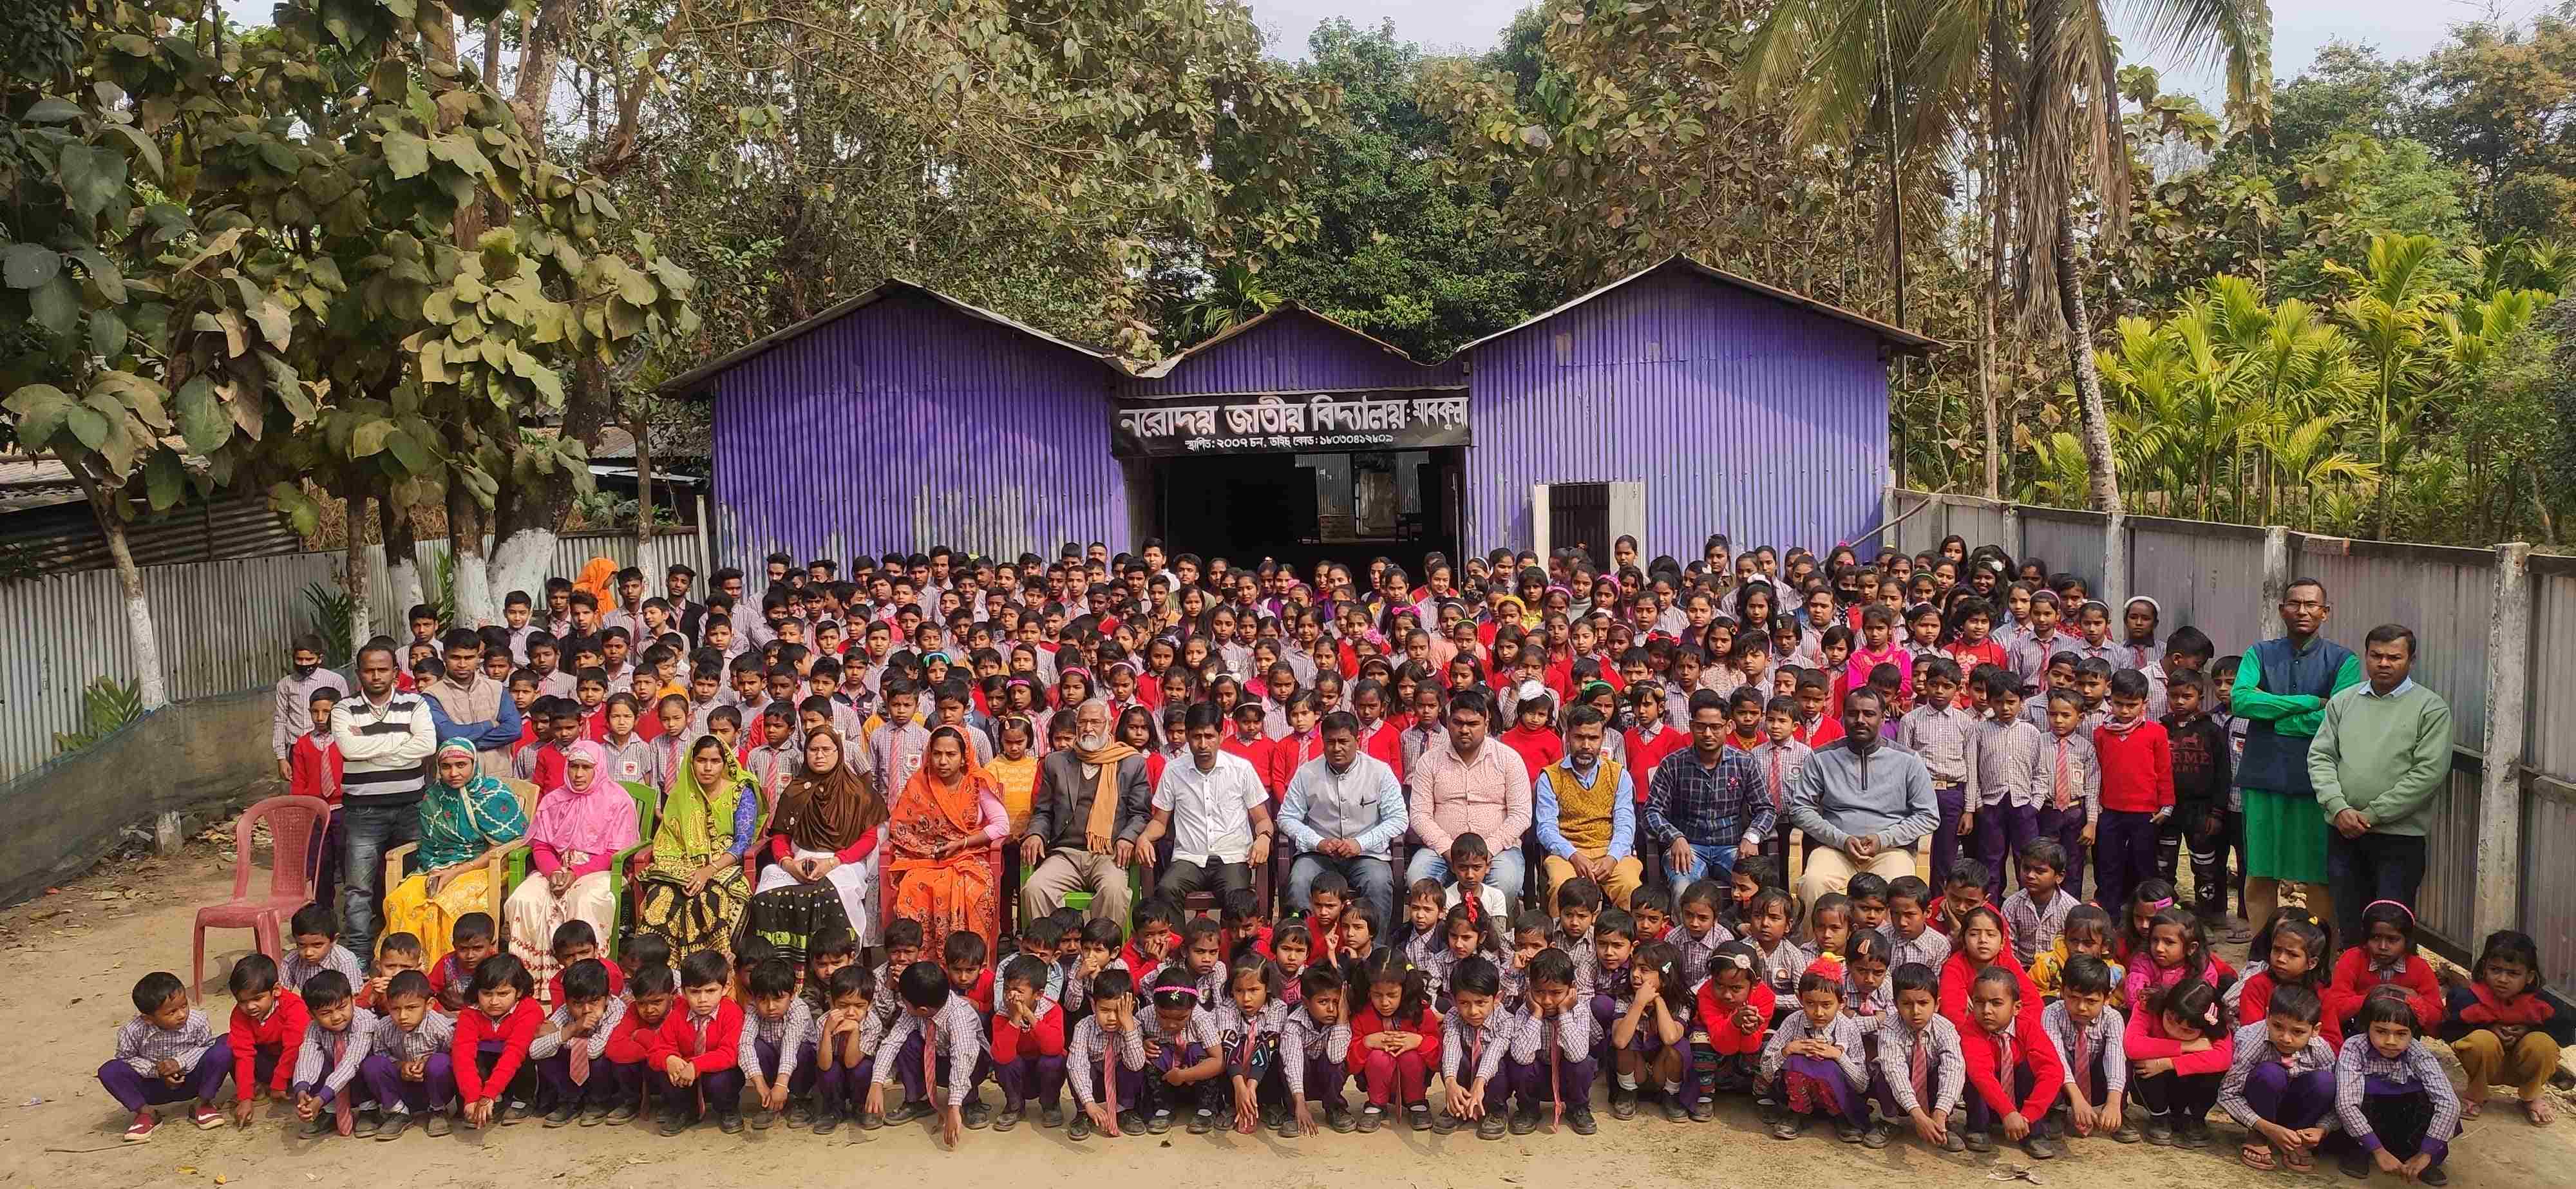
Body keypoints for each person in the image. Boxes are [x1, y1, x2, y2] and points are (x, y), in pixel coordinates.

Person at [2308, 624, 2454, 949]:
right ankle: (2352, 993)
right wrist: (2339, 808)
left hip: (2399, 839)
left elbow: (2427, 774)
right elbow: (2321, 757)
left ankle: (2389, 996)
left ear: (2411, 661)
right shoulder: (2344, 702)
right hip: (2343, 832)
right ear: (2367, 657)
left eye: (2394, 657)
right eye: (2376, 656)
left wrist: (2372, 814)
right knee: (2350, 921)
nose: (2384, 663)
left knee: (2391, 927)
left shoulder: (2431, 709)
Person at [2230, 578, 2360, 935]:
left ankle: (2318, 954)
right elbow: (2242, 701)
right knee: (2259, 873)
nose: (2302, 611)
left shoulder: (2343, 660)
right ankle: (2260, 952)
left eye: (2311, 605)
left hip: (2316, 781)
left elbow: (2340, 714)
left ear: (2325, 613)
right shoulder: (2260, 653)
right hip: (2262, 776)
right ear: (2281, 609)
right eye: (2295, 603)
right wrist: (2308, 703)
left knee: (2317, 876)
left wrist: (2279, 721)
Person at [501, 741, 638, 1000]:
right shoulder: (554, 800)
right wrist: (553, 872)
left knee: (586, 900)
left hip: (599, 870)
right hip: (555, 867)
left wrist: (575, 873)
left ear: (598, 769)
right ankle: (531, 985)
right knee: (524, 899)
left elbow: (613, 853)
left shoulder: (618, 801)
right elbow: (540, 845)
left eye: (586, 767)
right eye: (574, 766)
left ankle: (590, 982)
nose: (578, 774)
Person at [380, 739, 529, 970]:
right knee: (401, 899)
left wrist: (457, 871)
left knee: (448, 903)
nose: (454, 773)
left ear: (474, 763)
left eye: (461, 765)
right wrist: (438, 869)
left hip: (485, 865)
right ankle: (405, 970)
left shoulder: (493, 793)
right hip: (437, 864)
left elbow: (504, 846)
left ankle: (449, 973)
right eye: (446, 766)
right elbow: (430, 843)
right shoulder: (434, 796)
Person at [1785, 688, 1937, 913]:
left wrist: (1882, 839)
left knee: (1899, 888)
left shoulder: (1907, 760)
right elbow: (1800, 808)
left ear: (1883, 718)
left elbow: (1928, 816)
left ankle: (1888, 949)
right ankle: (1816, 949)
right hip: (1834, 849)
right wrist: (1841, 839)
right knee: (1814, 882)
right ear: (1842, 716)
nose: (1860, 720)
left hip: (1890, 851)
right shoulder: (1821, 758)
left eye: (1869, 714)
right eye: (1853, 714)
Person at [330, 643, 439, 951]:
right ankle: (360, 956)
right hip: (363, 812)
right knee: (359, 888)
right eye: (369, 670)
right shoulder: (343, 709)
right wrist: (401, 742)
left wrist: (372, 746)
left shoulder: (415, 703)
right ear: (359, 673)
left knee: (415, 881)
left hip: (411, 809)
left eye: (383, 669)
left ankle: (410, 952)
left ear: (396, 672)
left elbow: (427, 745)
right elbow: (350, 751)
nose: (376, 676)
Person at [750, 728, 891, 958]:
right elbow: (780, 837)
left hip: (844, 862)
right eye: (813, 750)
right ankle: (781, 965)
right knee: (768, 893)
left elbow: (868, 839)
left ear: (839, 752)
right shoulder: (795, 791)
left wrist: (834, 862)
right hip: (799, 859)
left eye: (826, 750)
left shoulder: (860, 793)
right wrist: (788, 863)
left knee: (829, 895)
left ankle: (833, 965)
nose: (819, 756)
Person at [632, 734, 759, 957]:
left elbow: (743, 843)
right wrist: (684, 874)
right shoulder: (681, 795)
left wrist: (708, 871)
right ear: (692, 762)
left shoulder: (741, 792)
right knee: (661, 897)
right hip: (681, 866)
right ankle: (664, 974)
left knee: (711, 897)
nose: (707, 768)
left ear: (725, 762)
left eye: (715, 761)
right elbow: (669, 840)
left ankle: (713, 969)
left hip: (724, 866)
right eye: (701, 761)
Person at [886, 725, 1009, 958]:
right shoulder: (918, 784)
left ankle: (965, 964)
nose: (943, 761)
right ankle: (919, 963)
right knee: (912, 886)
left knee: (972, 889)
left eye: (951, 755)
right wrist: (928, 850)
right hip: (923, 857)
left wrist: (962, 844)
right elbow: (901, 828)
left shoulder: (977, 783)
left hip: (968, 856)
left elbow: (1002, 825)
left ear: (964, 758)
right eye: (937, 754)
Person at [1279, 711, 1408, 925]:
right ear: (1322, 742)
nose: (1337, 748)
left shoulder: (1379, 772)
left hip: (1366, 855)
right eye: (1330, 742)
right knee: (1300, 880)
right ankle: (1302, 947)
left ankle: (1376, 951)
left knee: (1379, 882)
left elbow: (1398, 819)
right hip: (1319, 855)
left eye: (1343, 742)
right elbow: (1287, 818)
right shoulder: (1307, 773)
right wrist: (1317, 842)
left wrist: (1360, 843)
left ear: (1357, 741)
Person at [1406, 690, 1535, 905]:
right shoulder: (1429, 761)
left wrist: (1487, 852)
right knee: (1418, 879)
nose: (1464, 730)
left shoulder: (1509, 759)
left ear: (1486, 722)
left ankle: (1491, 938)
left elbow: (1521, 815)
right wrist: (1449, 851)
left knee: (1505, 884)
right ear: (1448, 722)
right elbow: (1420, 816)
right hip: (1441, 851)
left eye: (1473, 724)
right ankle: (1438, 938)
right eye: (1458, 723)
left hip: (1498, 851)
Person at [1140, 701, 1274, 901]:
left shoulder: (1241, 769)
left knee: (1236, 898)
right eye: (1196, 737)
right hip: (1189, 859)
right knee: (1166, 890)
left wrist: (1264, 837)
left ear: (1221, 736)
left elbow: (1262, 818)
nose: (1203, 745)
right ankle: (1178, 934)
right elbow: (1160, 821)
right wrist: (1144, 838)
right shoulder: (1173, 771)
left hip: (1233, 859)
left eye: (1209, 736)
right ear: (1187, 736)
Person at [1643, 689, 1770, 892]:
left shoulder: (1745, 763)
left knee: (1753, 886)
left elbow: (1765, 808)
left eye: (1715, 727)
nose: (1708, 734)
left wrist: (1752, 836)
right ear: (1692, 727)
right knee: (1682, 886)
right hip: (1689, 847)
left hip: (1733, 847)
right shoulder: (1673, 764)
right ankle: (1682, 925)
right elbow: (1651, 812)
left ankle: (1739, 925)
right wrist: (1675, 837)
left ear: (1728, 727)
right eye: (1701, 727)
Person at [100, 971, 230, 1141]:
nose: (182, 1014)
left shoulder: (198, 1020)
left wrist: (180, 1062)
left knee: (226, 1045)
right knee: (109, 1070)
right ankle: (147, 1114)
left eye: (184, 1006)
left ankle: (202, 1104)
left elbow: (206, 1046)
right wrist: (157, 1071)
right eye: (172, 1012)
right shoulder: (132, 1031)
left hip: (192, 1080)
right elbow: (126, 1059)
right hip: (154, 1086)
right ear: (148, 1018)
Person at [1537, 705, 1643, 909]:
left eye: (1593, 738)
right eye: (1579, 737)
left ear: (1603, 738)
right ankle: (1561, 942)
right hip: (1567, 853)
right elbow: (1546, 828)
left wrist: (1612, 858)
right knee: (1561, 886)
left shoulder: (1618, 774)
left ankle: (1626, 941)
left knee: (1631, 886)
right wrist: (1573, 856)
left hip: (1611, 851)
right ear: (1567, 737)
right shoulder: (1550, 776)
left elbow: (1625, 823)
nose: (1586, 745)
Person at [421, 629, 522, 778]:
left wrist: (470, 745)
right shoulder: (431, 695)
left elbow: (514, 730)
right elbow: (448, 735)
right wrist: (489, 725)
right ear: (443, 656)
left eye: (469, 658)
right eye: (455, 657)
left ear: (478, 657)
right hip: (452, 780)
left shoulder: (497, 689)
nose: (462, 664)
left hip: (496, 777)